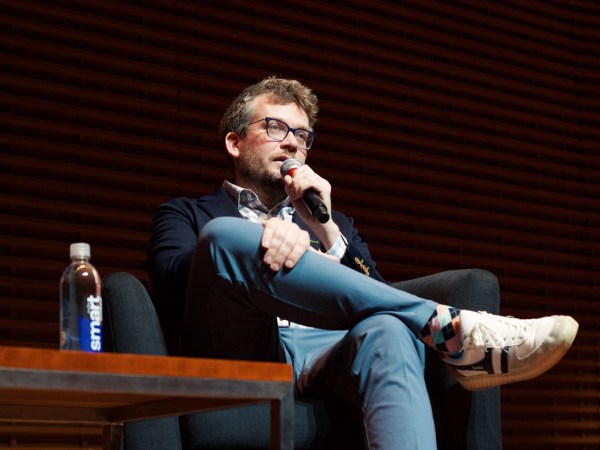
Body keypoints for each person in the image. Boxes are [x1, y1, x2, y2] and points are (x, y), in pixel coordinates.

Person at [148, 77, 578, 449]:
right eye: (275, 127)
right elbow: (173, 282)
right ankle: (448, 329)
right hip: (243, 348)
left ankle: (439, 329)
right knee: (224, 236)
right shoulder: (185, 213)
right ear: (234, 141)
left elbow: (378, 293)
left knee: (390, 327)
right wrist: (258, 242)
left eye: (302, 134)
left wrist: (327, 230)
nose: (293, 142)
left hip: (326, 351)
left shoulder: (329, 220)